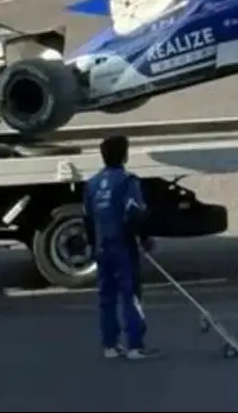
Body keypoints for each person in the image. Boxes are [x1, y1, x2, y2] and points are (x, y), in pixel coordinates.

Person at [84, 135, 160, 360]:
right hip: (123, 246)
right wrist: (144, 238)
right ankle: (135, 345)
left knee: (106, 297)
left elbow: (88, 218)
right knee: (130, 295)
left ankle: (110, 345)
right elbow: (135, 212)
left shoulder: (92, 183)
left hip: (102, 247)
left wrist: (92, 245)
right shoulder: (128, 182)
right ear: (124, 155)